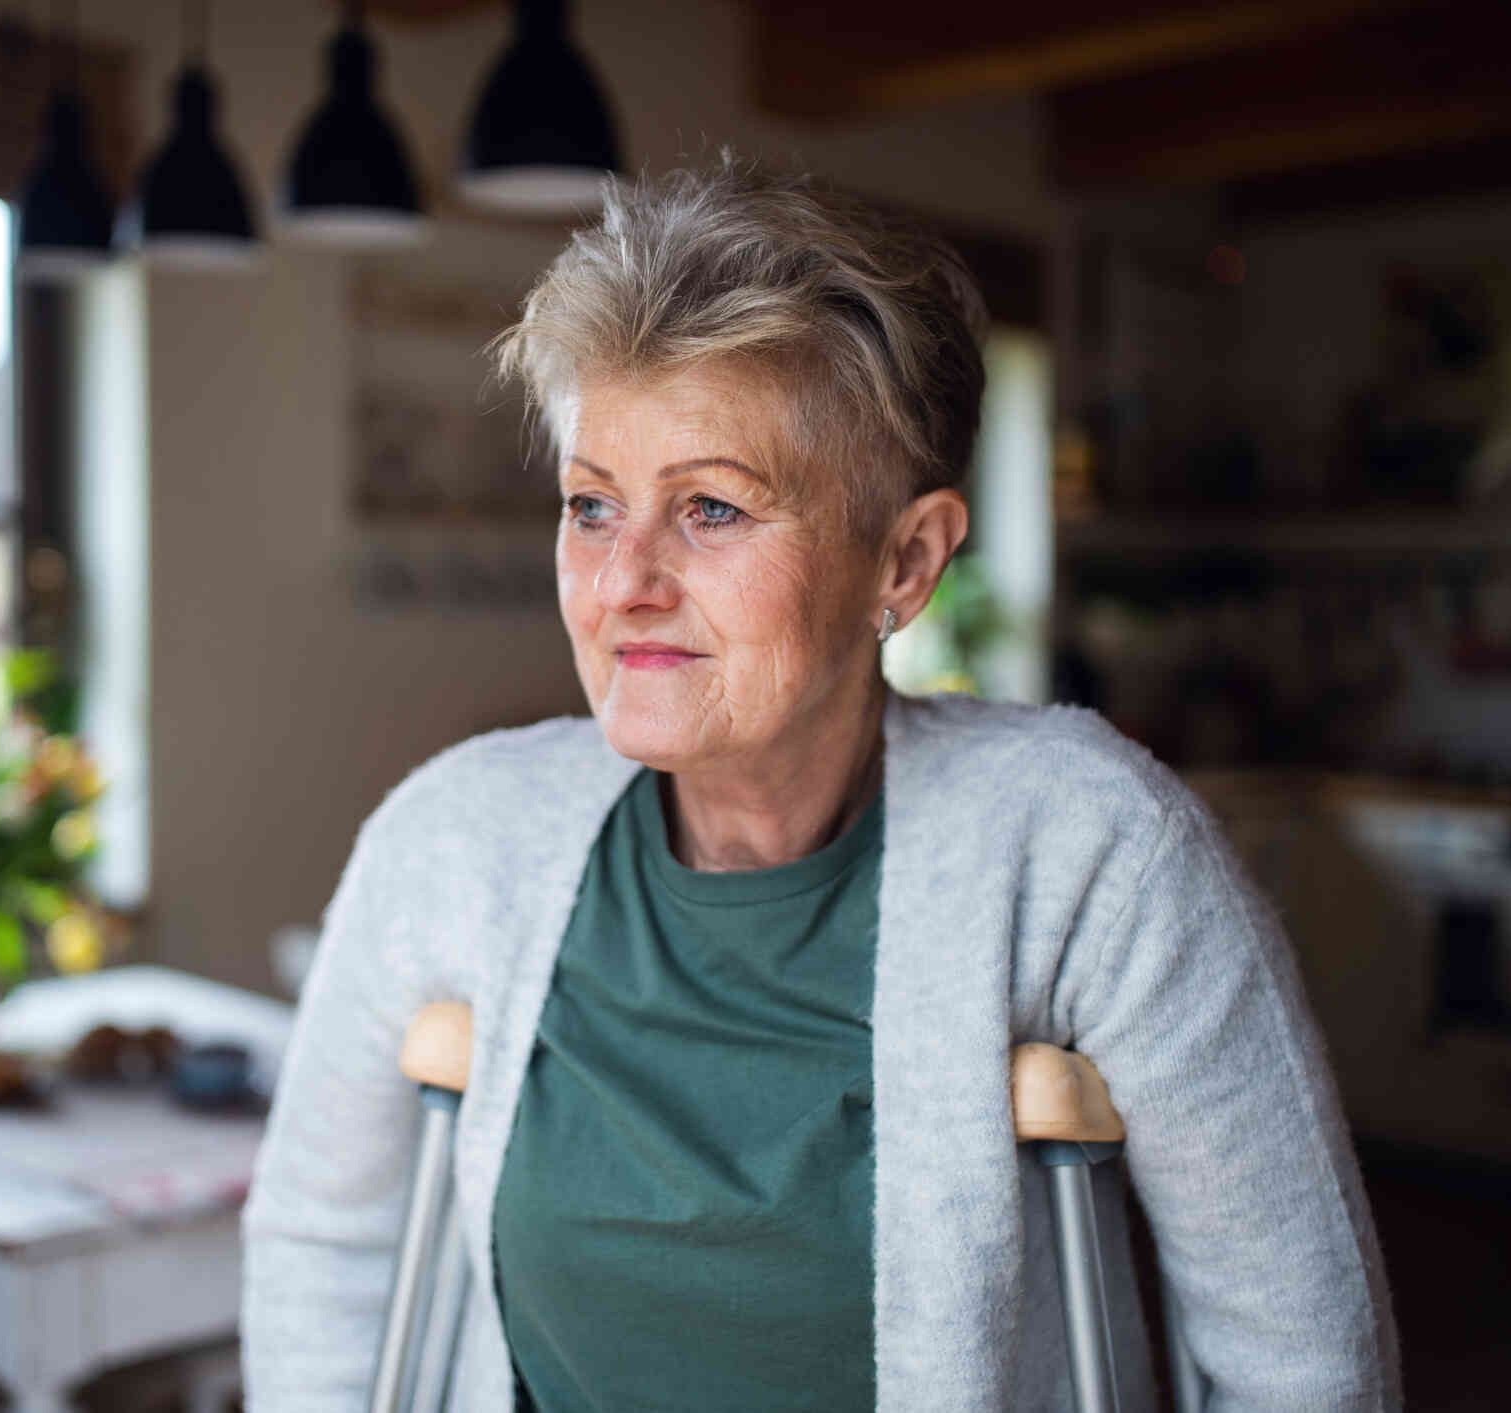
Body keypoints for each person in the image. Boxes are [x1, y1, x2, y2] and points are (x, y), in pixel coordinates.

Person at [243, 157, 1399, 1412]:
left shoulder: (1091, 850)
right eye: (591, 505)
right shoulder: (455, 837)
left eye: (712, 512)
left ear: (904, 561)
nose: (623, 578)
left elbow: (1302, 1356)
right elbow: (322, 1248)